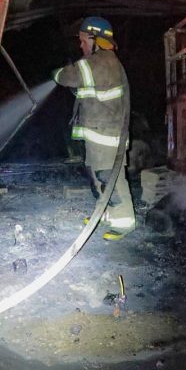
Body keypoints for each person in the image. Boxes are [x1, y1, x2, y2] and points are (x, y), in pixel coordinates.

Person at [53, 16, 135, 240]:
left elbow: (69, 76)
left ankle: (124, 222)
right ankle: (105, 214)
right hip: (99, 134)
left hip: (106, 136)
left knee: (110, 178)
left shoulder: (101, 62)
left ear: (95, 39)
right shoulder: (100, 62)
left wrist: (54, 74)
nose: (81, 45)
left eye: (83, 41)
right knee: (98, 177)